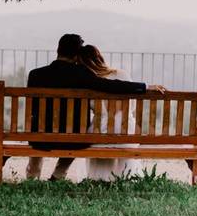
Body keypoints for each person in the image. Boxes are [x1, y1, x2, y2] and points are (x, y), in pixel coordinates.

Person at [25, 33, 164, 180]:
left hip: (39, 138)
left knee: (39, 130)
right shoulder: (81, 73)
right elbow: (109, 85)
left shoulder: (35, 74)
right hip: (72, 140)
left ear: (58, 50)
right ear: (77, 55)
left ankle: (32, 176)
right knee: (76, 133)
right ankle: (58, 174)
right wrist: (145, 86)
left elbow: (33, 108)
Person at [77, 44, 142, 180]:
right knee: (125, 126)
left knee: (97, 131)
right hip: (127, 134)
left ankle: (100, 179)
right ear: (100, 58)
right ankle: (126, 179)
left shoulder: (88, 82)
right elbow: (133, 107)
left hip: (99, 135)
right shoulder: (123, 74)